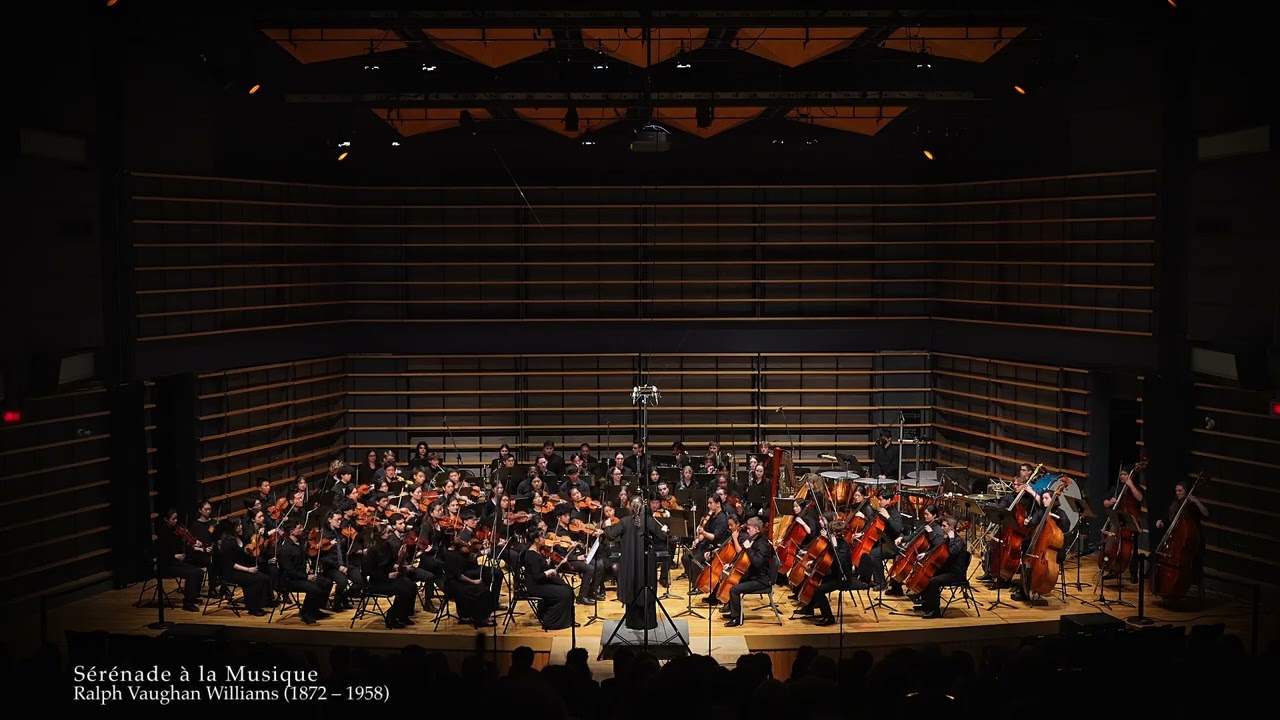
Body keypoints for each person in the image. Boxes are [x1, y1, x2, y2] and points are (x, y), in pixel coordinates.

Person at [605, 498, 670, 629]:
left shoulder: (624, 521)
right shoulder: (649, 521)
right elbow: (662, 537)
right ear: (642, 507)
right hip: (646, 562)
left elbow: (611, 536)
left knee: (632, 586)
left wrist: (607, 525)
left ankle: (633, 622)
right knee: (647, 585)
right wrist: (664, 529)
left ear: (630, 507)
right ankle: (648, 622)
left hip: (629, 561)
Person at [793, 519, 867, 626]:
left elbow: (840, 562)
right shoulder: (832, 543)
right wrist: (814, 562)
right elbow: (826, 557)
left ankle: (829, 617)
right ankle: (809, 608)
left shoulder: (844, 546)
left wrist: (835, 546)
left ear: (836, 535)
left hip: (842, 578)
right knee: (813, 581)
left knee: (819, 590)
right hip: (833, 574)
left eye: (830, 533)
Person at [1011, 490, 1069, 603]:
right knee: (1025, 549)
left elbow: (1065, 528)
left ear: (1054, 499)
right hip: (1038, 547)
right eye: (1042, 498)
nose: (1043, 500)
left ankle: (1038, 586)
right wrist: (1029, 522)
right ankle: (1024, 588)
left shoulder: (1061, 514)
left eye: (1046, 498)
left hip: (1053, 551)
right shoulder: (1041, 512)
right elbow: (1033, 526)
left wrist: (1057, 520)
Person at [276, 519, 334, 624]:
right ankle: (306, 613)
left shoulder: (300, 543)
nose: (302, 529)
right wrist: (307, 577)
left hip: (302, 576)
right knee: (314, 588)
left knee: (327, 583)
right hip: (291, 580)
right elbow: (289, 571)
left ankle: (315, 609)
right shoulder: (284, 549)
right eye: (299, 528)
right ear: (291, 531)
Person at [154, 509, 207, 612]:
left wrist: (193, 544)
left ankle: (193, 597)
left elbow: (181, 543)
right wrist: (175, 556)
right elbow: (162, 554)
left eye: (176, 518)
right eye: (173, 519)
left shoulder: (175, 531)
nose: (176, 521)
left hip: (174, 562)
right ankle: (187, 603)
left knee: (199, 572)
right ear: (166, 520)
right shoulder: (163, 534)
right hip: (165, 565)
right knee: (191, 574)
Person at [523, 529, 577, 630]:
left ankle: (567, 620)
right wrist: (548, 572)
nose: (545, 539)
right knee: (565, 593)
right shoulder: (531, 555)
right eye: (543, 537)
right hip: (536, 587)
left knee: (567, 589)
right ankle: (550, 621)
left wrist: (547, 565)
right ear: (536, 540)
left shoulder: (538, 552)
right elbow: (537, 577)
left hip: (542, 583)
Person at [725, 517, 773, 628]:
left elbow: (757, 563)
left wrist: (749, 549)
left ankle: (736, 618)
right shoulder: (755, 539)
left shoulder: (762, 543)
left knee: (734, 589)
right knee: (732, 580)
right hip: (754, 575)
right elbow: (743, 558)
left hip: (762, 580)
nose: (747, 531)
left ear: (756, 529)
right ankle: (734, 612)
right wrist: (732, 565)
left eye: (749, 529)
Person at [918, 516, 970, 619]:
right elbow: (937, 549)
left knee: (933, 581)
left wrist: (951, 539)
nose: (941, 528)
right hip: (947, 570)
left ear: (951, 527)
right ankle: (927, 604)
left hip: (956, 574)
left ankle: (935, 611)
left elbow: (952, 552)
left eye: (944, 526)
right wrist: (926, 554)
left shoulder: (958, 541)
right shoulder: (947, 539)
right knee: (927, 574)